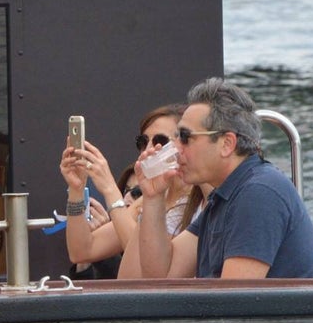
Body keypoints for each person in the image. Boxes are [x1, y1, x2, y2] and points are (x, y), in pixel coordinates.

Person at [135, 78, 313, 280]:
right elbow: (162, 275)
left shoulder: (258, 193)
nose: (175, 147)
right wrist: (153, 198)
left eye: (185, 137)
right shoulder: (225, 196)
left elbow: (234, 301)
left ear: (227, 143)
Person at [60, 104, 205, 278]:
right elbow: (82, 250)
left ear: (183, 144)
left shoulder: (199, 202)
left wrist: (110, 190)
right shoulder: (146, 201)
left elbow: (150, 267)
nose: (149, 149)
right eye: (143, 142)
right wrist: (76, 190)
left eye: (160, 141)